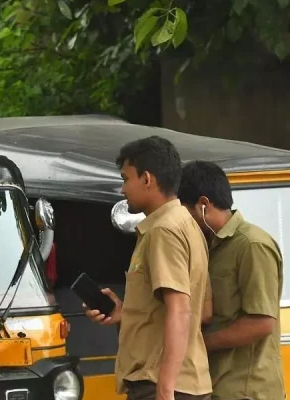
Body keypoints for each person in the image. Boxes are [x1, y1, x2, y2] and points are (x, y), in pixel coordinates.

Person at [84, 136, 212, 400]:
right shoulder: (185, 224)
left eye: (125, 178)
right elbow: (202, 309)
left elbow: (180, 309)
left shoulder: (163, 230)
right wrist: (125, 312)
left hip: (162, 385)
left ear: (147, 179)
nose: (122, 189)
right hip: (184, 383)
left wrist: (165, 390)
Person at [178, 160, 285, 400]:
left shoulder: (252, 245)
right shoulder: (207, 245)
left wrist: (198, 344)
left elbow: (261, 323)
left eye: (185, 213)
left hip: (246, 390)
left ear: (204, 204)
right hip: (213, 385)